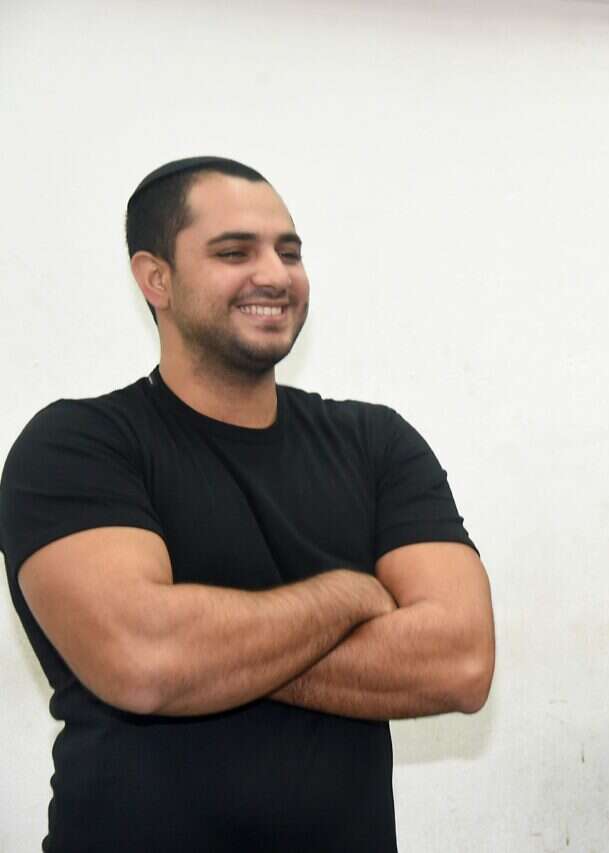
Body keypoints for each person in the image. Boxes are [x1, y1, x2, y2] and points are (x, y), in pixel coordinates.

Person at [0, 156, 496, 853]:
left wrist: (209, 654)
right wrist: (349, 596)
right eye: (235, 252)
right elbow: (144, 659)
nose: (274, 274)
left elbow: (461, 662)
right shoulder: (78, 446)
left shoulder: (376, 444)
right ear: (156, 278)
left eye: (288, 252)